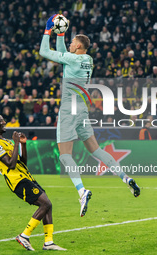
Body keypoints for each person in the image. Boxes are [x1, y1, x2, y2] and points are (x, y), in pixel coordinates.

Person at [40, 15, 140, 217]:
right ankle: (125, 177)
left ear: (78, 45)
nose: (69, 43)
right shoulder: (86, 59)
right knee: (96, 150)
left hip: (68, 110)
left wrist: (47, 30)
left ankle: (81, 190)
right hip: (82, 110)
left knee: (65, 155)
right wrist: (61, 33)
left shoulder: (74, 58)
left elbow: (44, 51)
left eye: (72, 41)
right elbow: (62, 54)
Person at [0, 114, 65, 251]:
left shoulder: (6, 142)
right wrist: (16, 142)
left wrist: (23, 144)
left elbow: (22, 163)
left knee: (48, 205)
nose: (4, 122)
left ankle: (48, 242)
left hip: (26, 177)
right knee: (45, 203)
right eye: (0, 121)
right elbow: (10, 165)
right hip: (17, 181)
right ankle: (24, 236)